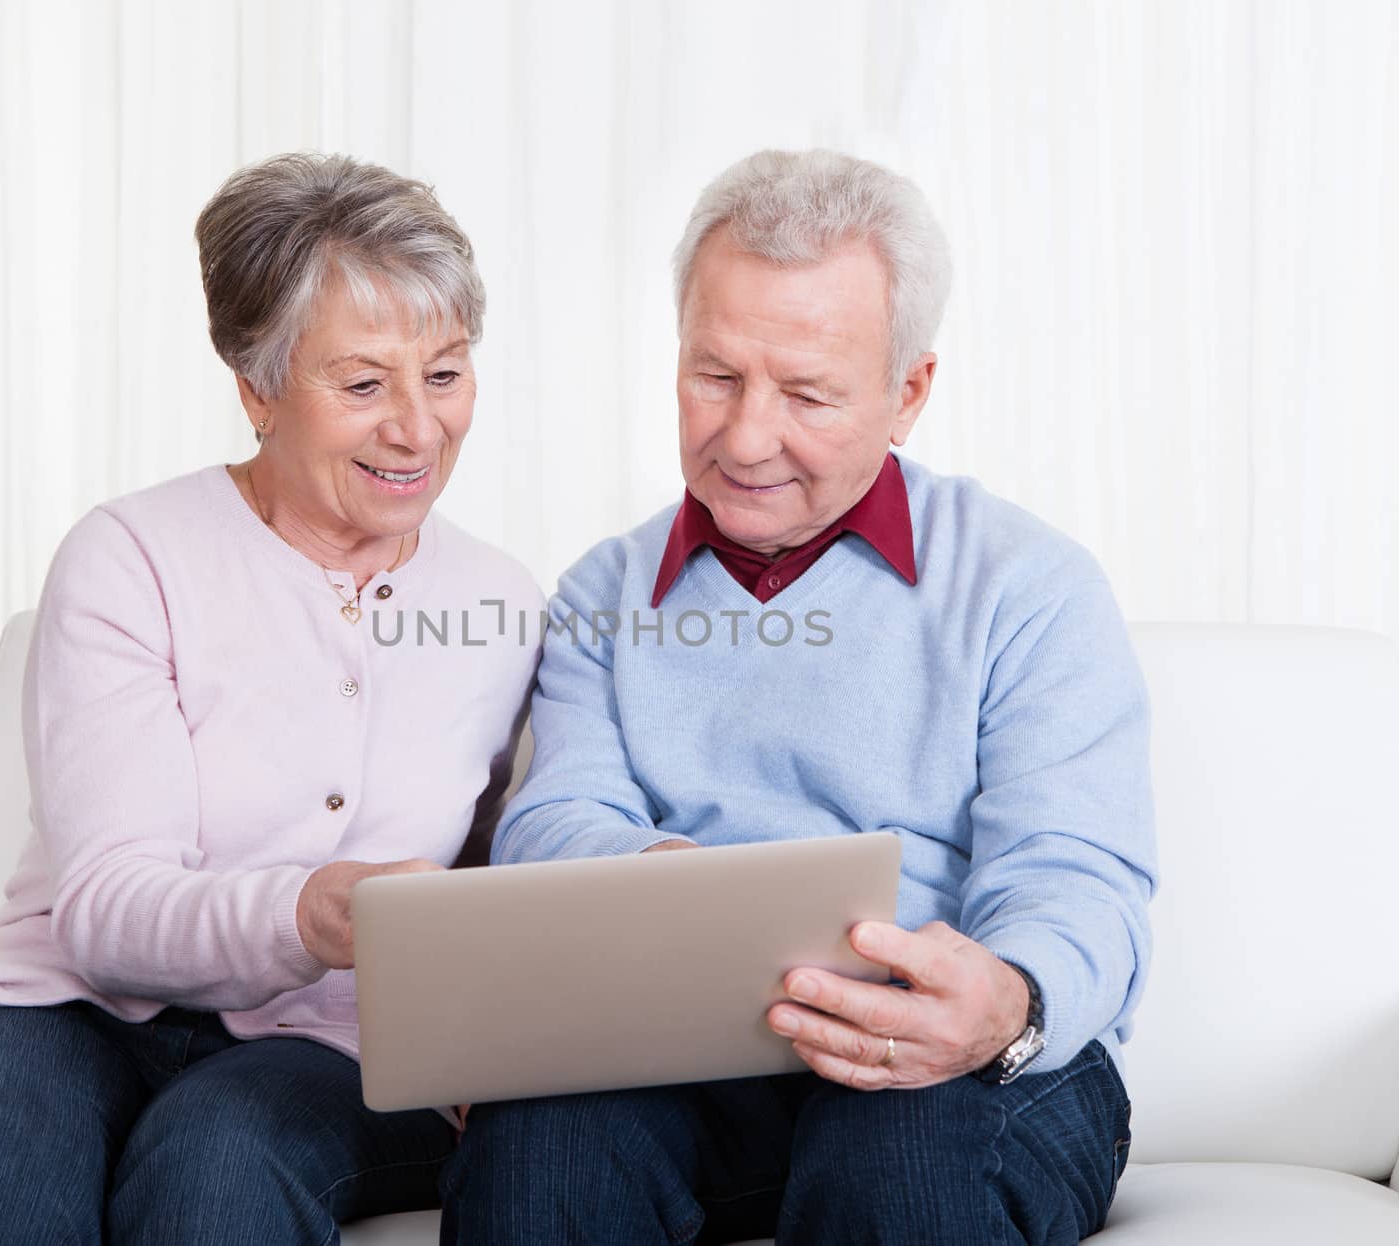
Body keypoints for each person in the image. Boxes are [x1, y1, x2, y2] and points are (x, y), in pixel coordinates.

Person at [442, 149, 1157, 1245]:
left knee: (899, 1162)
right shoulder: (603, 589)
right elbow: (552, 817)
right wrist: (659, 885)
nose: (744, 438)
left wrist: (1006, 999)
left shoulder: (1028, 585)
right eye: (713, 376)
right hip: (685, 1052)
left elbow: (1076, 878)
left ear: (906, 392)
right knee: (538, 1153)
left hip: (960, 1064)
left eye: (808, 393)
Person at [0, 152, 542, 1244]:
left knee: (218, 1174)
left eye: (447, 373)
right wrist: (309, 908)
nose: (418, 428)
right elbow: (105, 910)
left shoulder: (500, 604)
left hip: (329, 1045)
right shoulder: (132, 556)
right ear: (257, 387)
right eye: (363, 384)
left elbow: (503, 889)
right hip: (65, 1007)